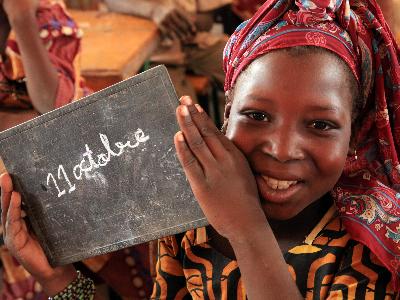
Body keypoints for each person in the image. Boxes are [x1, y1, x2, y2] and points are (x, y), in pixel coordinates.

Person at [1, 0, 400, 299]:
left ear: (357, 134)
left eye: (320, 125)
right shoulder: (191, 225)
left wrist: (245, 228)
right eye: (257, 116)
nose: (281, 149)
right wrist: (58, 280)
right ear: (226, 115)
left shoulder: (375, 251)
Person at [0, 1, 153, 299]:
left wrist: (21, 18)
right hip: (29, 169)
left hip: (57, 167)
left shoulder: (45, 14)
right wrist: (27, 122)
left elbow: (55, 109)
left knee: (107, 199)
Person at [103, 0, 231, 104]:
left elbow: (207, 19)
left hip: (194, 43)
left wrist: (187, 20)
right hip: (151, 54)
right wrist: (153, 10)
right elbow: (112, 2)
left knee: (247, 68)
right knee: (182, 113)